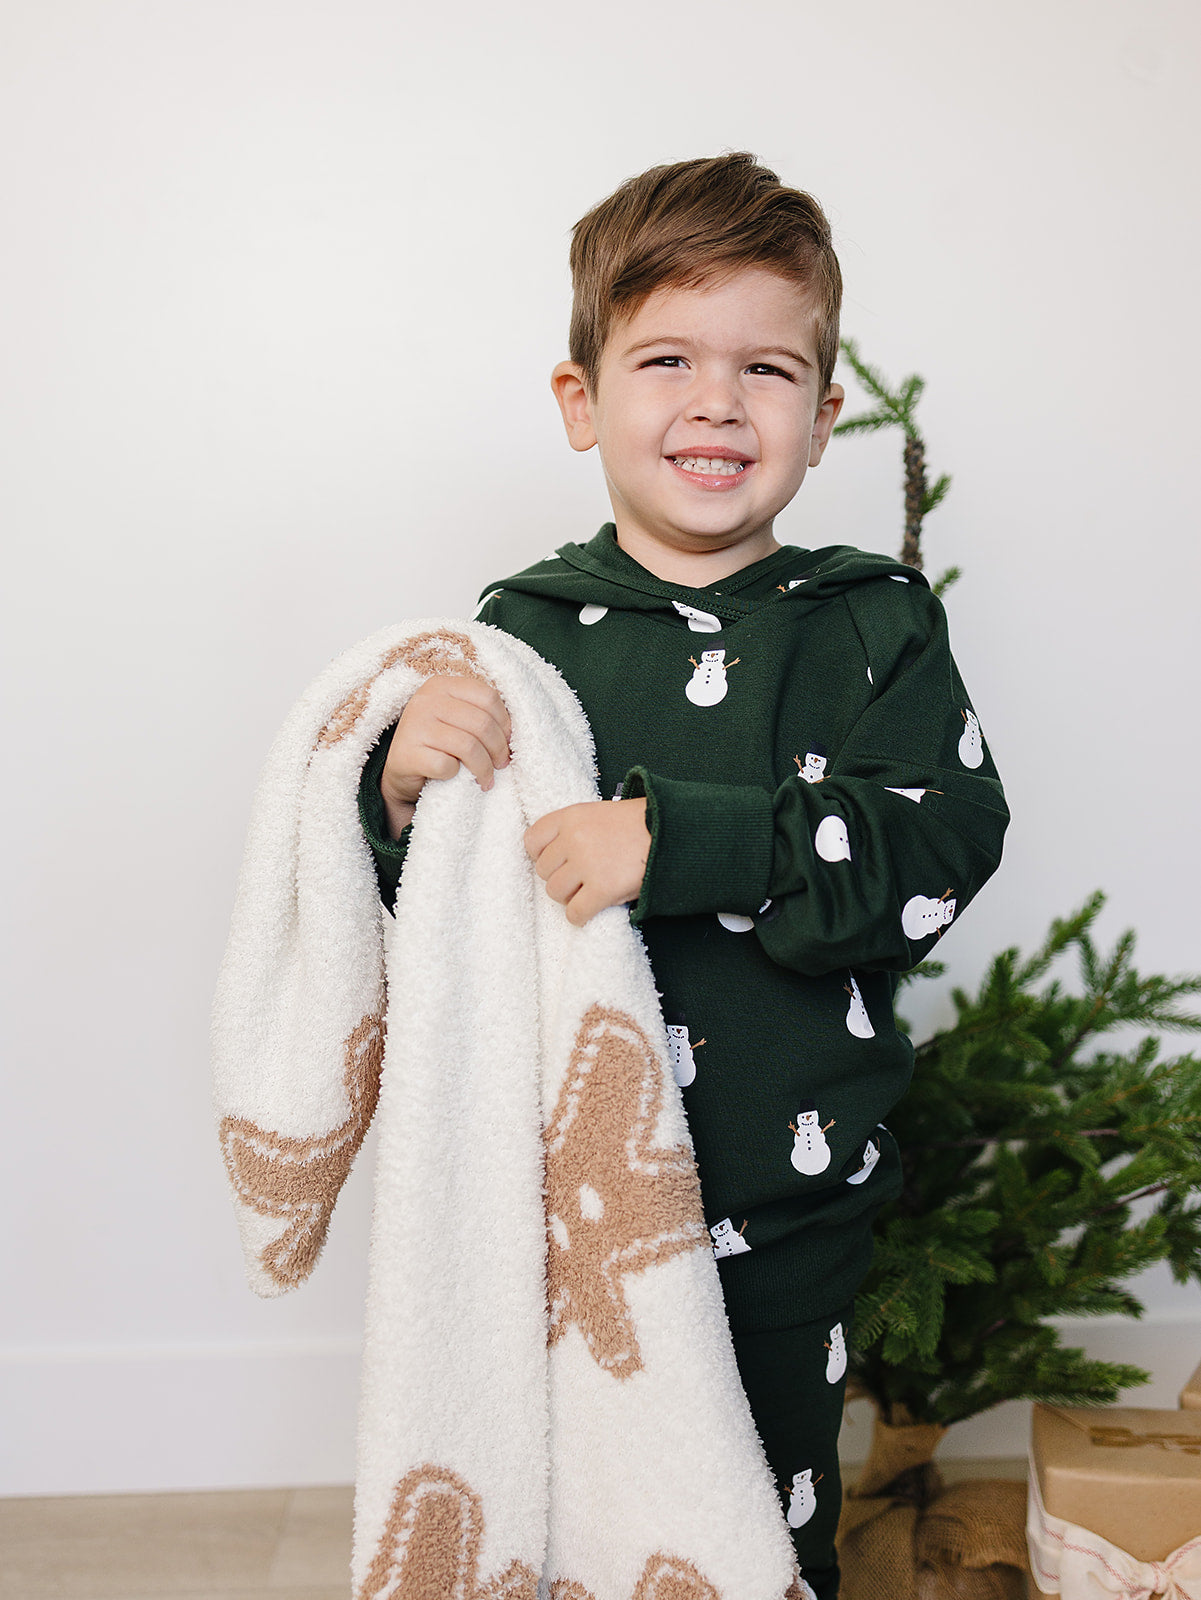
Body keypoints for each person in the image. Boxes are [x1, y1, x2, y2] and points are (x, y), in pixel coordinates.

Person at [356, 152, 1008, 1600]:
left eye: (765, 368)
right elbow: (451, 920)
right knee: (573, 1526)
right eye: (666, 359)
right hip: (556, 1208)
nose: (717, 401)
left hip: (783, 1203)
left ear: (821, 418)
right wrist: (398, 792)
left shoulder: (870, 622)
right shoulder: (525, 632)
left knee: (755, 1530)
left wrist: (678, 843)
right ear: (581, 399)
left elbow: (937, 848)